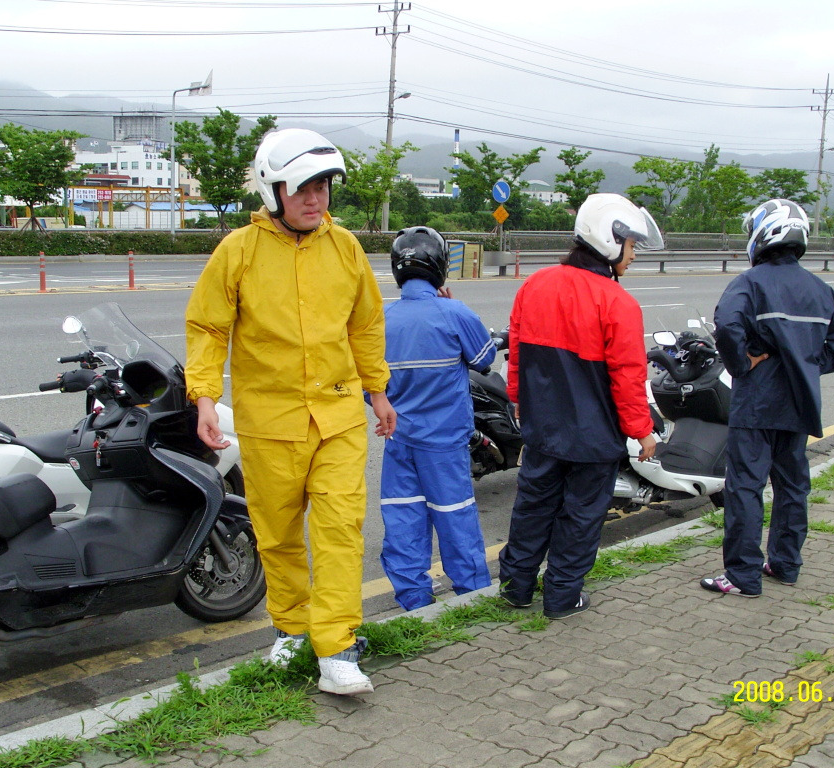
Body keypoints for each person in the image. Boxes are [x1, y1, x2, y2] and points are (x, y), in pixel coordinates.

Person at [184, 128, 396, 696]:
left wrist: (377, 390)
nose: (316, 200)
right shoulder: (238, 251)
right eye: (304, 188)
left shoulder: (345, 246)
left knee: (339, 531)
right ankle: (294, 629)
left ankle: (337, 646)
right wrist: (204, 396)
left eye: (324, 187)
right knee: (276, 537)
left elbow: (366, 324)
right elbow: (208, 325)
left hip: (338, 418)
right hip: (269, 421)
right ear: (272, 189)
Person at [497, 193, 664, 619]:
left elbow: (516, 354)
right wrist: (642, 430)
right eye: (630, 245)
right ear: (611, 239)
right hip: (593, 435)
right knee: (580, 516)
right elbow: (628, 376)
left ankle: (516, 587)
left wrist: (518, 400)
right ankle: (562, 595)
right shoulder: (617, 301)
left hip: (542, 428)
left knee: (533, 505)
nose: (633, 255)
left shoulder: (534, 285)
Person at [700, 198, 834, 598]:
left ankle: (742, 575)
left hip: (757, 403)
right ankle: (786, 565)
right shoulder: (820, 288)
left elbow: (726, 326)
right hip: (800, 403)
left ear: (762, 233)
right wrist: (811, 363)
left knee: (746, 488)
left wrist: (741, 365)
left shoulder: (749, 283)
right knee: (793, 488)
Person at [377, 226, 496, 611]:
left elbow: (369, 384)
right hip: (444, 445)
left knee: (403, 520)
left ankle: (414, 601)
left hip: (399, 442)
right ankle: (472, 596)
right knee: (455, 518)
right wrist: (451, 307)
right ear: (440, 267)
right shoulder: (453, 312)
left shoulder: (380, 319)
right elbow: (484, 359)